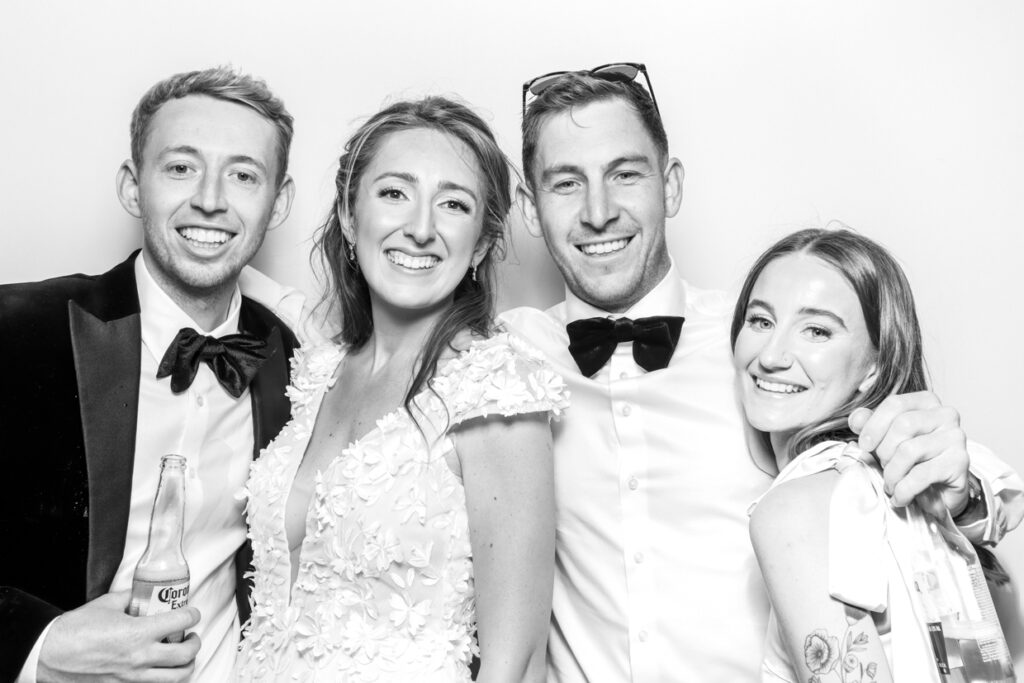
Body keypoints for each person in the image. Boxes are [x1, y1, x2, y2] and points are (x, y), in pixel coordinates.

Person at [499, 63, 1024, 681]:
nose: (598, 211)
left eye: (625, 174)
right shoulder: (501, 360)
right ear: (531, 210)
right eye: (566, 184)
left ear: (669, 187)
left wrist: (962, 491)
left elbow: (899, 461)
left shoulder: (762, 346)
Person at [234, 96, 566, 682]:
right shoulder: (317, 370)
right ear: (347, 213)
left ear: (483, 244)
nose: (419, 228)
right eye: (394, 193)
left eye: (454, 205)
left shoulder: (494, 385)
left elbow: (516, 665)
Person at [0, 67, 307, 682]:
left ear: (280, 202)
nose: (212, 199)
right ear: (132, 187)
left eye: (244, 175)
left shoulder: (296, 359)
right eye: (181, 167)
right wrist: (42, 645)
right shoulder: (18, 332)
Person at [736, 228, 1019, 681]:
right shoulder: (891, 482)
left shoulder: (796, 509)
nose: (771, 355)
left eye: (816, 330)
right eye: (761, 321)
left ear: (874, 366)